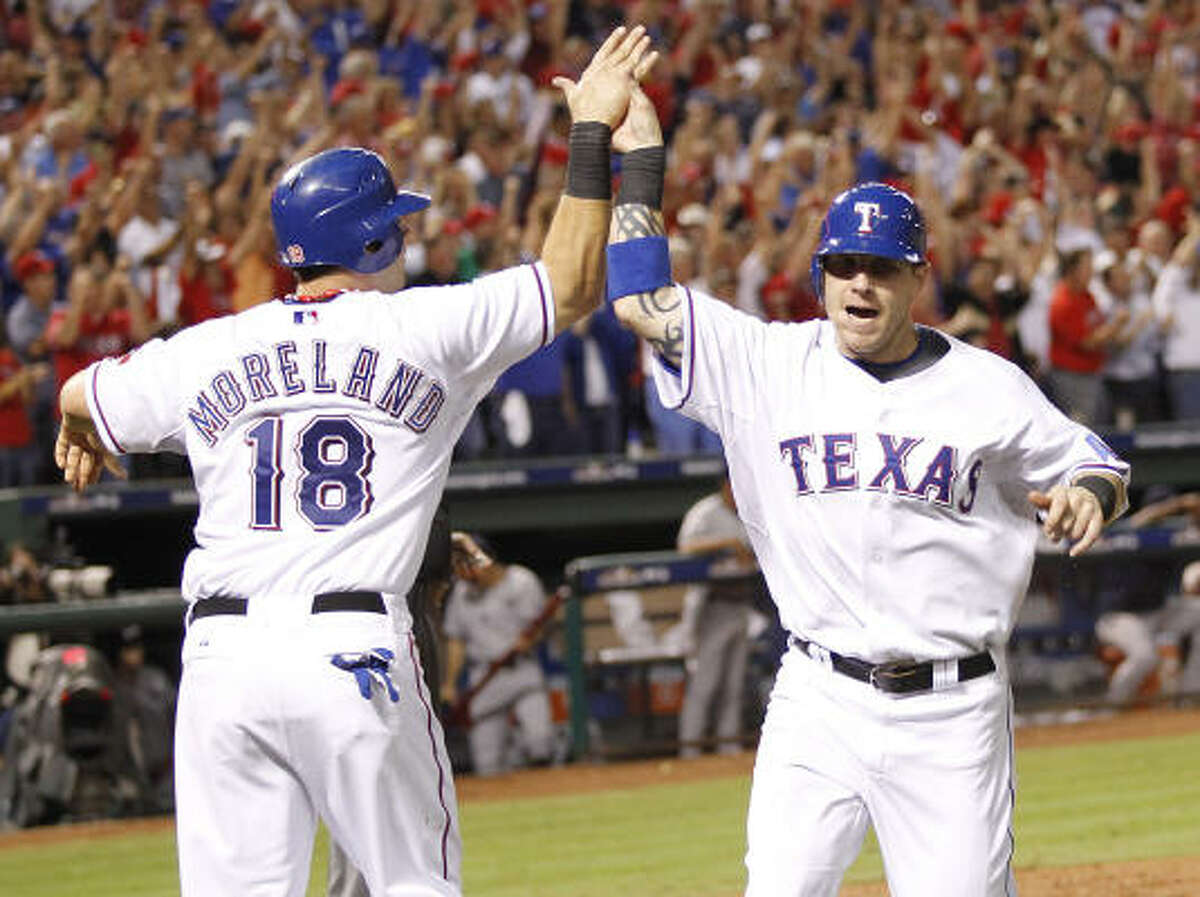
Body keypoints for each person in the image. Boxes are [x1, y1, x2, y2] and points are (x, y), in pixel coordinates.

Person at [51, 26, 655, 897]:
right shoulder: (423, 328)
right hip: (351, 646)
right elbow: (570, 283)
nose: (407, 242)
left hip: (220, 657)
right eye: (398, 229)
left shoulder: (210, 347)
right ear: (374, 245)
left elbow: (81, 389)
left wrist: (80, 427)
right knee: (412, 883)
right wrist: (591, 134)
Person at [605, 84, 1130, 896]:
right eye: (842, 265)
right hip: (818, 697)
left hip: (952, 711)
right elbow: (641, 298)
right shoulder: (768, 365)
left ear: (915, 278)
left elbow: (1099, 461)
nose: (859, 283)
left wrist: (1091, 493)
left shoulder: (987, 386)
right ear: (820, 273)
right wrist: (638, 156)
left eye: (880, 268)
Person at [441, 535, 556, 776]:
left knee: (540, 741)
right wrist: (450, 683)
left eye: (465, 565)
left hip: (521, 669)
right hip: (484, 675)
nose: (462, 573)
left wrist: (529, 641)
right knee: (487, 760)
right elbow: (456, 640)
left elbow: (541, 625)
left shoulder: (521, 581)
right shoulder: (462, 593)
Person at [676, 476, 758, 758]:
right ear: (726, 485)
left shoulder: (750, 511)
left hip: (741, 604)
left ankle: (729, 746)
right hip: (712, 606)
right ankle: (690, 748)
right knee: (706, 683)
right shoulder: (705, 512)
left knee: (734, 684)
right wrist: (727, 543)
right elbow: (685, 548)